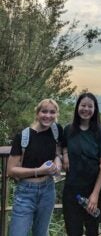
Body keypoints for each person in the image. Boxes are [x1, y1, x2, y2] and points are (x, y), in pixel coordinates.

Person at [7, 99, 63, 236]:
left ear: (56, 115)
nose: (48, 116)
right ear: (37, 113)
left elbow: (58, 151)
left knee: (41, 233)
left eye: (52, 112)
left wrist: (58, 160)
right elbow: (11, 170)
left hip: (48, 190)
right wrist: (39, 170)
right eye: (44, 111)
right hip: (25, 192)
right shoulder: (23, 136)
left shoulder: (56, 131)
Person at [61, 92, 101, 236]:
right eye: (83, 105)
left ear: (95, 109)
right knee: (73, 230)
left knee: (92, 230)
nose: (86, 109)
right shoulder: (68, 129)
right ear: (77, 107)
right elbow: (63, 145)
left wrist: (94, 195)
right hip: (71, 189)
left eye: (90, 106)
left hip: (93, 188)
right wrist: (64, 155)